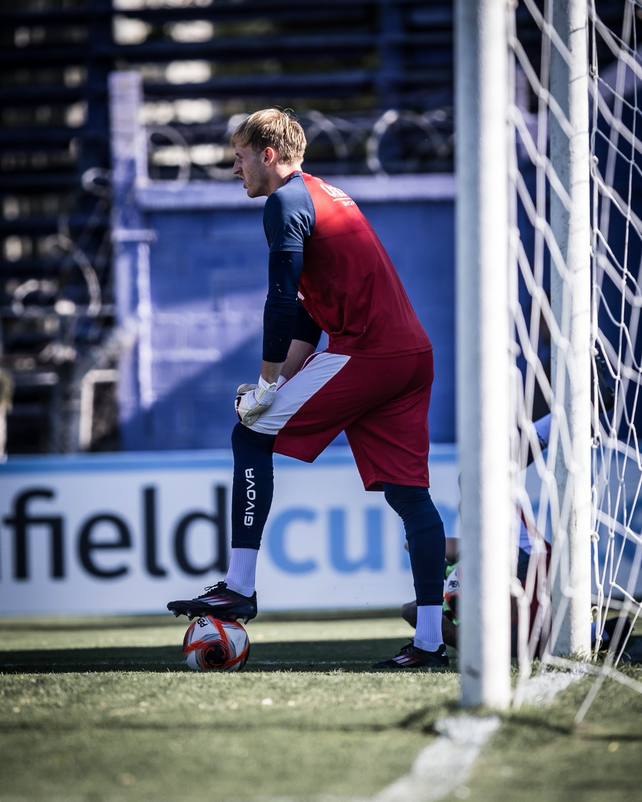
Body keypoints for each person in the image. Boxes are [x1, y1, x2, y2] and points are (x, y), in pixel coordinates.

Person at [167, 108, 448, 670]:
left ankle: (239, 587)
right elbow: (306, 316)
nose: (234, 169)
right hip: (409, 356)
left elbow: (279, 301)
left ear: (267, 154)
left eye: (240, 156)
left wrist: (269, 385)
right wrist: (277, 380)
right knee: (410, 497)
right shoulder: (324, 195)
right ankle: (429, 643)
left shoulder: (284, 202)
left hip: (369, 351)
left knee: (249, 436)